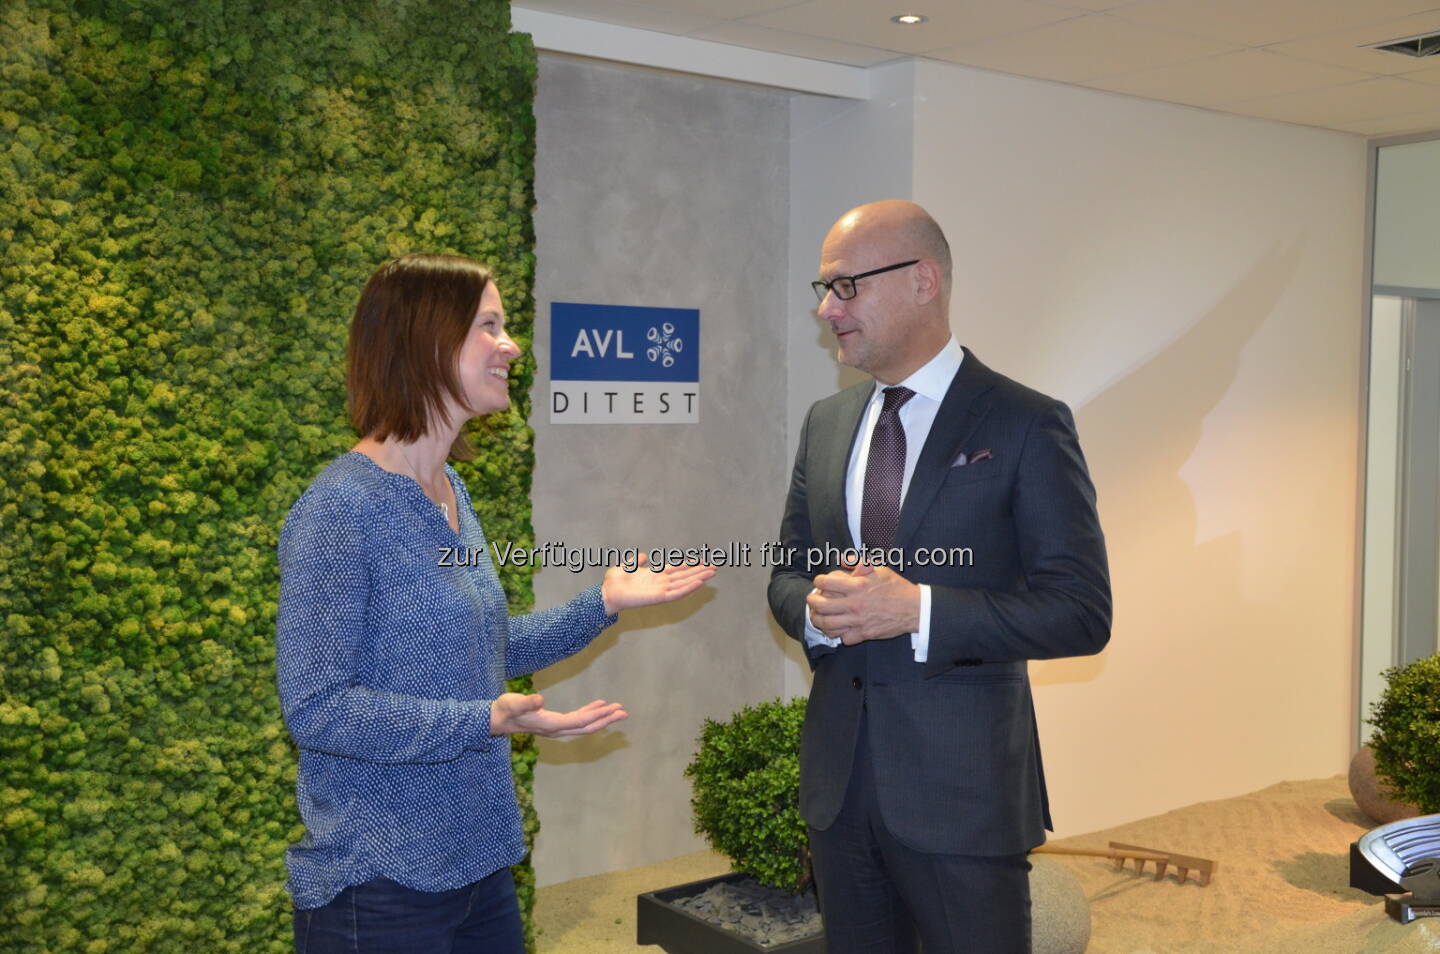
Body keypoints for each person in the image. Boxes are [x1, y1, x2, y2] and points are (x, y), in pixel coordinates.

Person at [276, 253, 714, 954]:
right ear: (426, 342)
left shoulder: (451, 493)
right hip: (380, 886)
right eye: (489, 326)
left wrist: (601, 603)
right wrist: (480, 720)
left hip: (479, 871)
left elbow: (480, 645)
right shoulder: (339, 510)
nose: (511, 347)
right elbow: (319, 707)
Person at [768, 201, 1111, 954]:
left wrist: (917, 609)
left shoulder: (1025, 422)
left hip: (964, 796)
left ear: (923, 280)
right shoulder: (827, 423)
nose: (828, 308)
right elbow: (787, 574)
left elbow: (1081, 611)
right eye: (823, 288)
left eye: (846, 285)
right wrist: (819, 612)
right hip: (839, 791)